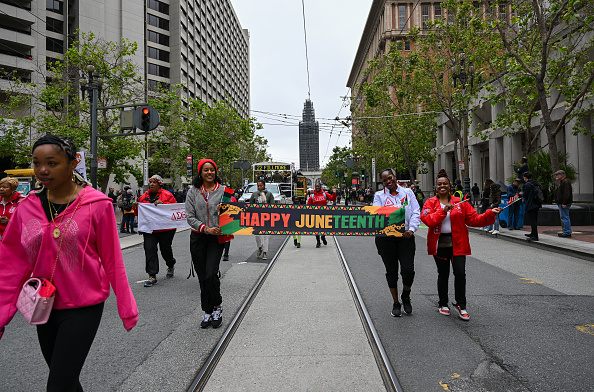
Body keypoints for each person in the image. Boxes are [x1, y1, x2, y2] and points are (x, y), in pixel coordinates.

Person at [0, 134, 138, 390]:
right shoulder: (27, 206)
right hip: (42, 305)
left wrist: (126, 308)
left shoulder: (97, 205)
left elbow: (112, 260)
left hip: (83, 306)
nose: (42, 170)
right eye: (37, 162)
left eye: (52, 163)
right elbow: (10, 265)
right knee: (66, 380)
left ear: (73, 163)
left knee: (59, 384)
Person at [421, 169, 501, 321]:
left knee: (460, 273)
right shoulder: (430, 203)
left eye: (445, 183)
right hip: (439, 245)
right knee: (443, 274)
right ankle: (443, 303)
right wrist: (443, 211)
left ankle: (461, 305)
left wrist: (490, 212)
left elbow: (474, 219)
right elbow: (428, 220)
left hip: (459, 243)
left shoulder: (460, 202)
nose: (442, 186)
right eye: (439, 184)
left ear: (449, 186)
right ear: (436, 187)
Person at [185, 159, 234, 329]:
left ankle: (217, 307)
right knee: (202, 277)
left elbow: (234, 212)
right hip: (198, 238)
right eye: (206, 170)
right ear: (200, 172)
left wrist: (227, 209)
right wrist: (205, 228)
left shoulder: (224, 191)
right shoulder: (193, 192)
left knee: (211, 274)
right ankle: (207, 310)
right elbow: (190, 216)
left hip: (216, 238)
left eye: (212, 170)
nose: (209, 173)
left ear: (215, 172)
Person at [373, 168, 420, 317]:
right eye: (385, 180)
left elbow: (415, 212)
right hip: (386, 239)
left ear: (395, 177)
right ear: (382, 182)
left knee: (408, 271)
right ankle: (396, 302)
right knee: (391, 271)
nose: (388, 181)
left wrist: (411, 229)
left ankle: (406, 295)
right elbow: (376, 213)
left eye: (390, 178)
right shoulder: (379, 196)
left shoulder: (408, 193)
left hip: (406, 237)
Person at [134, 175, 178, 287]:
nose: (152, 184)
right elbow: (139, 214)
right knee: (149, 249)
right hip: (150, 230)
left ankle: (170, 264)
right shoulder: (143, 197)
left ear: (160, 184)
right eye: (150, 182)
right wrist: (135, 207)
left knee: (165, 250)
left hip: (166, 229)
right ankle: (152, 275)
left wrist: (164, 204)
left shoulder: (167, 195)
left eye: (154, 182)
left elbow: (175, 209)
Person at [249, 179, 275, 260]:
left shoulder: (269, 194)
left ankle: (265, 252)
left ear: (264, 186)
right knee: (257, 235)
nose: (259, 187)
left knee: (265, 236)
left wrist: (265, 202)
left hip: (266, 218)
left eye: (261, 186)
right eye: (258, 186)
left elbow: (273, 206)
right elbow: (250, 205)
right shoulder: (254, 194)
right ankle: (260, 248)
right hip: (256, 218)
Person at [307, 182, 337, 248]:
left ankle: (323, 237)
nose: (317, 187)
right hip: (316, 215)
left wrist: (334, 193)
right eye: (316, 186)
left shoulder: (324, 194)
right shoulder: (312, 196)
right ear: (315, 187)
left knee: (324, 228)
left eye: (318, 186)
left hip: (324, 215)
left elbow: (333, 199)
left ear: (320, 187)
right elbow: (308, 206)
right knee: (316, 230)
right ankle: (318, 242)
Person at [520, 171, 542, 241]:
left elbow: (525, 195)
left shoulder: (527, 185)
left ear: (525, 178)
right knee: (534, 219)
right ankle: (533, 233)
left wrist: (521, 194)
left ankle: (535, 236)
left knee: (532, 220)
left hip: (530, 204)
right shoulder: (536, 183)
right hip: (537, 203)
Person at [0, 177, 22, 241]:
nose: (1, 189)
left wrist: (9, 222)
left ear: (13, 189)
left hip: (13, 240)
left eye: (5, 187)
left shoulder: (21, 202)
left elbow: (25, 222)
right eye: (0, 187)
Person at [554, 170, 572, 238]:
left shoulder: (565, 182)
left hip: (563, 203)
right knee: (564, 217)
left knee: (565, 217)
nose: (556, 176)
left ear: (562, 175)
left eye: (558, 175)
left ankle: (567, 232)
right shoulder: (563, 182)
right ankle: (566, 231)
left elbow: (566, 193)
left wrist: (564, 202)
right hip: (562, 202)